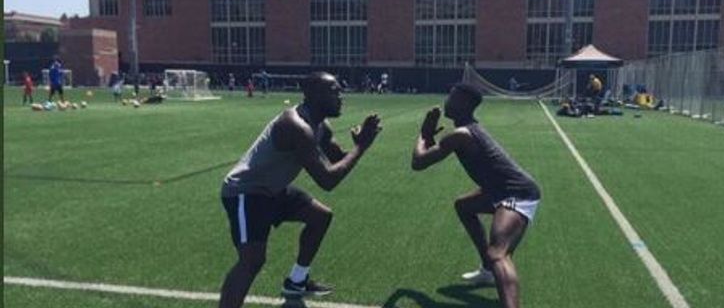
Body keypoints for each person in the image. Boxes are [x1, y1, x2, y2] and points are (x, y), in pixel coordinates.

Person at [218, 72, 382, 308]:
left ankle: (297, 281)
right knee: (252, 260)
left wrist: (357, 147)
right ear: (314, 95)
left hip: (273, 189)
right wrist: (362, 148)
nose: (341, 96)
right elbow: (327, 180)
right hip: (247, 191)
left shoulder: (320, 125)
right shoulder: (295, 125)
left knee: (320, 217)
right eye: (334, 91)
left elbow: (338, 159)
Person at [411, 83, 541, 308]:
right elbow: (431, 154)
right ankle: (488, 272)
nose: (447, 101)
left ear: (463, 103)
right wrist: (429, 138)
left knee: (498, 253)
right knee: (464, 206)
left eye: (451, 97)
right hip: (498, 190)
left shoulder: (461, 134)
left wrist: (423, 134)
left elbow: (419, 162)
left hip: (517, 193)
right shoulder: (468, 129)